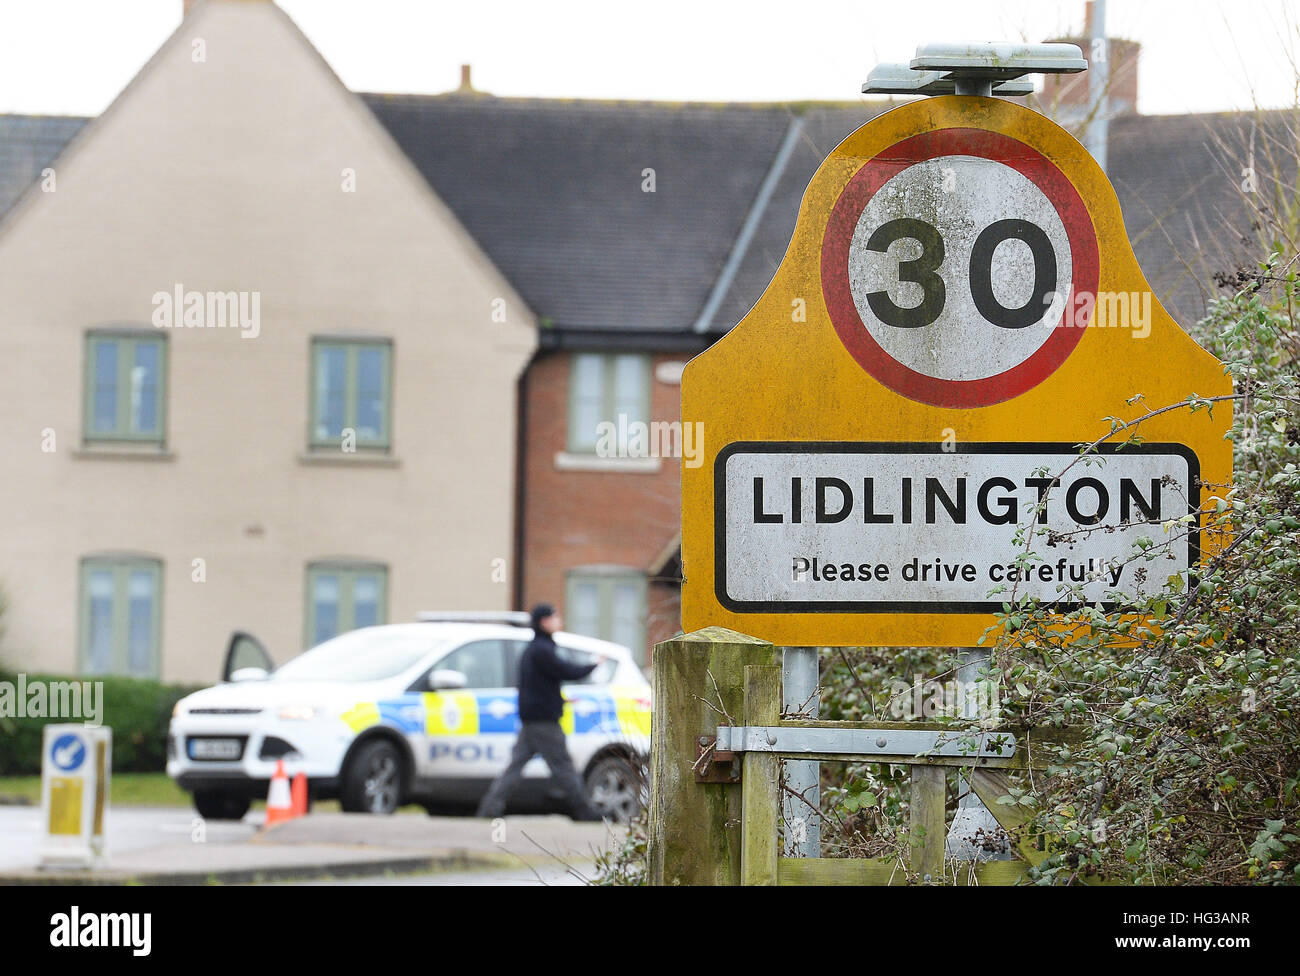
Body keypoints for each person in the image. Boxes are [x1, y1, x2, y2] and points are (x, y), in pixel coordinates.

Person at [476, 603, 608, 820]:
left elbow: (542, 685)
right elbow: (566, 670)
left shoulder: (534, 649)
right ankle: (586, 813)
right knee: (564, 768)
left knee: (515, 767)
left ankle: (488, 809)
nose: (559, 621)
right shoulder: (542, 650)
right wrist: (592, 664)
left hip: (532, 720)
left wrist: (558, 699)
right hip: (543, 722)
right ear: (544, 621)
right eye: (555, 617)